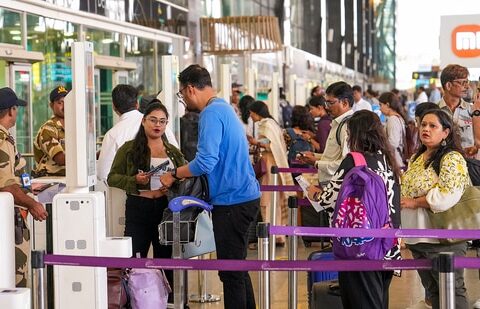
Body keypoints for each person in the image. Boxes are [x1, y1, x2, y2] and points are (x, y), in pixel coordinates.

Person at [159, 64, 260, 309]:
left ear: (191, 89)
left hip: (232, 202)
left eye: (182, 94)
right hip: (243, 197)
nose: (183, 99)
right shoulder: (224, 107)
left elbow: (205, 161)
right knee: (237, 266)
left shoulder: (211, 114)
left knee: (230, 272)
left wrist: (174, 174)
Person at [307, 110, 401, 309]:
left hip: (360, 245)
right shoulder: (387, 159)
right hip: (387, 244)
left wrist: (314, 192)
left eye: (349, 133)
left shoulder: (354, 160)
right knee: (379, 301)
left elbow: (329, 200)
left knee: (359, 302)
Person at [107, 102, 185, 292]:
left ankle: (167, 301)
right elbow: (112, 178)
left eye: (162, 121)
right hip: (138, 208)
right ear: (143, 121)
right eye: (153, 120)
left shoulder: (173, 152)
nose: (157, 125)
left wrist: (173, 185)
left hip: (165, 209)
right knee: (134, 259)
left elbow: (184, 179)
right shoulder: (129, 149)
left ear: (166, 125)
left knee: (166, 260)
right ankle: (134, 300)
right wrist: (134, 180)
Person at [401, 109, 470, 309]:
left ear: (446, 132)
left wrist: (414, 202)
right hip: (417, 237)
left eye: (433, 126)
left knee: (453, 292)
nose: (426, 129)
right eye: (423, 125)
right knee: (434, 293)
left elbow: (447, 195)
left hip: (443, 239)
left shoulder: (452, 158)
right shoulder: (416, 157)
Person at [0, 87, 48, 287]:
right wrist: (32, 204)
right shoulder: (1, 141)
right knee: (15, 279)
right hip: (9, 220)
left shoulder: (6, 138)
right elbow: (6, 186)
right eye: (16, 109)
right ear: (11, 110)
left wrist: (27, 186)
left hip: (13, 216)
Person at [97, 85, 178, 181]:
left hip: (127, 193)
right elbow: (177, 157)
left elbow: (103, 174)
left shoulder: (113, 134)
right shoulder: (160, 124)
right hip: (166, 188)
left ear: (114, 106)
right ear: (137, 104)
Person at [248, 100, 294, 245]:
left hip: (270, 165)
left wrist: (256, 143)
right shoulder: (272, 123)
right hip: (274, 165)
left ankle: (270, 235)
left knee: (267, 201)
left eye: (251, 114)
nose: (250, 117)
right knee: (276, 201)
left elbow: (270, 145)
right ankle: (278, 235)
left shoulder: (266, 125)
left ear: (256, 113)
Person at [299, 81, 354, 185]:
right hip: (331, 183)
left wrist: (315, 162)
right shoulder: (337, 123)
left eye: (330, 103)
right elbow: (333, 156)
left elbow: (345, 163)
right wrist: (314, 156)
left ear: (345, 103)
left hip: (337, 185)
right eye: (326, 103)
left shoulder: (347, 126)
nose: (327, 107)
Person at [438, 64, 480, 158]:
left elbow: (478, 141)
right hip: (441, 164)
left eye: (467, 82)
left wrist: (475, 148)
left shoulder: (473, 110)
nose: (467, 87)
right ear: (448, 85)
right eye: (463, 83)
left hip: (468, 164)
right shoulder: (434, 111)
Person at [33, 86, 69, 177]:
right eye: (60, 102)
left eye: (67, 102)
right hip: (49, 182)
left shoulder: (73, 127)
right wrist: (85, 158)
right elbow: (60, 159)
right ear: (51, 105)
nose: (64, 106)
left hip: (68, 180)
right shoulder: (48, 129)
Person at [379, 92, 408, 169]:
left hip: (395, 162)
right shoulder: (398, 118)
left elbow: (393, 143)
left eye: (380, 105)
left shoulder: (393, 120)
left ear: (387, 105)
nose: (380, 108)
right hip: (398, 160)